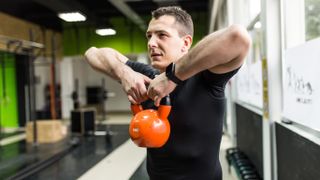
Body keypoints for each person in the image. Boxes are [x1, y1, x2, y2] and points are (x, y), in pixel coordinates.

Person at [85, 6, 250, 180]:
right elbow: (93, 54)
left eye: (161, 35)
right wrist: (124, 73)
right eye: (149, 36)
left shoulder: (207, 78)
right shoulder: (147, 75)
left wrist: (172, 76)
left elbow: (238, 37)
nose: (151, 43)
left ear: (185, 43)